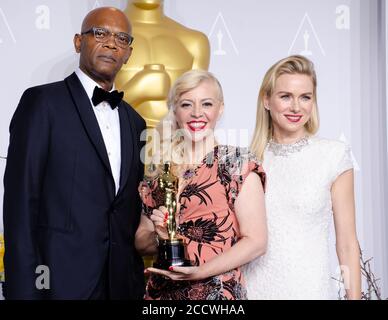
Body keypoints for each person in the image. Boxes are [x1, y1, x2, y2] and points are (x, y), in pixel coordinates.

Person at [3, 7, 146, 300]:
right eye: (100, 33)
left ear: (128, 53)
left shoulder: (135, 122)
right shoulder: (43, 103)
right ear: (78, 42)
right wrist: (23, 291)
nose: (111, 43)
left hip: (119, 286)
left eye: (121, 38)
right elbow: (20, 203)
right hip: (56, 285)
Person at [135, 70, 267, 300]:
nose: (197, 113)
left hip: (216, 294)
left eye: (206, 103)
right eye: (187, 104)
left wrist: (198, 272)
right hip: (162, 296)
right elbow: (141, 240)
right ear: (175, 110)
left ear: (220, 108)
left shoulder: (237, 164)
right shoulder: (159, 171)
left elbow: (257, 242)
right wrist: (162, 237)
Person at [243, 55, 361, 300]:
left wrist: (354, 298)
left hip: (310, 291)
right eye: (285, 96)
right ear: (266, 100)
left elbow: (347, 244)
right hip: (254, 291)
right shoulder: (248, 161)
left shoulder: (334, 155)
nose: (296, 107)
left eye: (305, 97)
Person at [115, 0, 210, 127]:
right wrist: (137, 89)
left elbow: (196, 113)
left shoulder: (194, 42)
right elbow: (93, 109)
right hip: (117, 143)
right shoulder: (104, 39)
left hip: (174, 143)